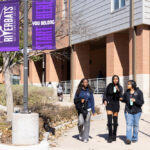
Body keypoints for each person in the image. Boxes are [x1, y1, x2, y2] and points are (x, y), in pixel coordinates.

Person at [120, 80, 144, 145]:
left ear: (133, 85)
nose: (127, 85)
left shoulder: (139, 92)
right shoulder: (127, 92)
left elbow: (141, 102)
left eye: (129, 84)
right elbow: (124, 99)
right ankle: (128, 139)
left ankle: (135, 138)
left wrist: (135, 100)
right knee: (129, 125)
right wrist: (121, 99)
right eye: (127, 84)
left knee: (136, 125)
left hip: (137, 112)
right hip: (128, 111)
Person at [74, 78, 96, 143]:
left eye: (87, 82)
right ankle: (81, 134)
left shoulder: (89, 91)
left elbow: (92, 101)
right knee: (80, 122)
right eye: (84, 82)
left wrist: (93, 110)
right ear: (82, 83)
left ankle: (85, 137)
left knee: (87, 123)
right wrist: (80, 100)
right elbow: (75, 99)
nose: (86, 83)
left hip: (88, 109)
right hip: (81, 109)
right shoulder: (78, 91)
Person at [103, 75, 123, 143]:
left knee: (115, 121)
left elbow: (121, 96)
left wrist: (118, 90)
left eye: (116, 79)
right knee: (109, 121)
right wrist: (104, 100)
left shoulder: (120, 87)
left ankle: (114, 135)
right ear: (112, 80)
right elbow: (105, 93)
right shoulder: (109, 86)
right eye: (114, 79)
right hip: (109, 103)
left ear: (118, 80)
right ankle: (110, 136)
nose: (115, 80)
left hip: (116, 104)